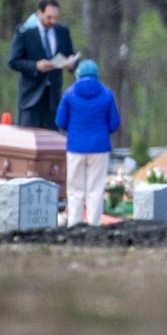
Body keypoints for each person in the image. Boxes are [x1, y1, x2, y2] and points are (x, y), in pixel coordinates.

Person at [55, 60, 120, 226]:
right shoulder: (107, 94)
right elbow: (114, 124)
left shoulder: (69, 94)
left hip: (75, 147)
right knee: (95, 189)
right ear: (96, 75)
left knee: (75, 189)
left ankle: (74, 223)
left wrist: (75, 130)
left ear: (78, 75)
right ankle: (94, 224)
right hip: (99, 148)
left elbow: (60, 121)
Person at [9, 0, 78, 130]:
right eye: (49, 17)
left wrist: (71, 64)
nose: (53, 21)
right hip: (30, 98)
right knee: (28, 140)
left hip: (52, 99)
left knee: (51, 142)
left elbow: (71, 55)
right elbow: (13, 61)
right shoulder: (25, 32)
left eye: (56, 18)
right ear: (39, 13)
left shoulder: (63, 32)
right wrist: (35, 66)